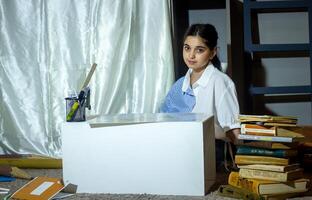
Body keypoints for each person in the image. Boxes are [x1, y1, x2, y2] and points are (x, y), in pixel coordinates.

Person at [160, 23, 240, 170]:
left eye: (199, 50)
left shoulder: (221, 81)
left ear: (213, 52)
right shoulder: (179, 85)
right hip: (180, 146)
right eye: (187, 48)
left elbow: (233, 131)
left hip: (211, 150)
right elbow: (164, 119)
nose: (191, 55)